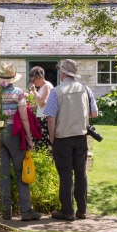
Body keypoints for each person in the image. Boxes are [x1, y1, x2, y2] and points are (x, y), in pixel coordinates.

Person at [43, 59, 99, 221]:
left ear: (63, 73)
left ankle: (67, 211)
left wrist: (52, 139)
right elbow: (94, 113)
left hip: (62, 138)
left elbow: (51, 118)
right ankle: (82, 210)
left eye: (61, 71)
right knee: (81, 173)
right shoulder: (85, 89)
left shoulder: (57, 91)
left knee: (66, 174)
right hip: (81, 137)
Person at [0, 62, 42, 221]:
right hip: (13, 134)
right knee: (20, 171)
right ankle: (25, 210)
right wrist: (29, 137)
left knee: (2, 173)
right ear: (12, 78)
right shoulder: (18, 93)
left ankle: (6, 210)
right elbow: (23, 117)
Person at [28, 66, 53, 150]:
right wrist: (33, 108)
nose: (33, 83)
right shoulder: (42, 87)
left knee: (44, 145)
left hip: (45, 119)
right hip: (41, 118)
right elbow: (41, 104)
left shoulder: (46, 86)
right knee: (39, 143)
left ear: (41, 77)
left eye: (34, 80)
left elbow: (42, 103)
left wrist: (34, 91)